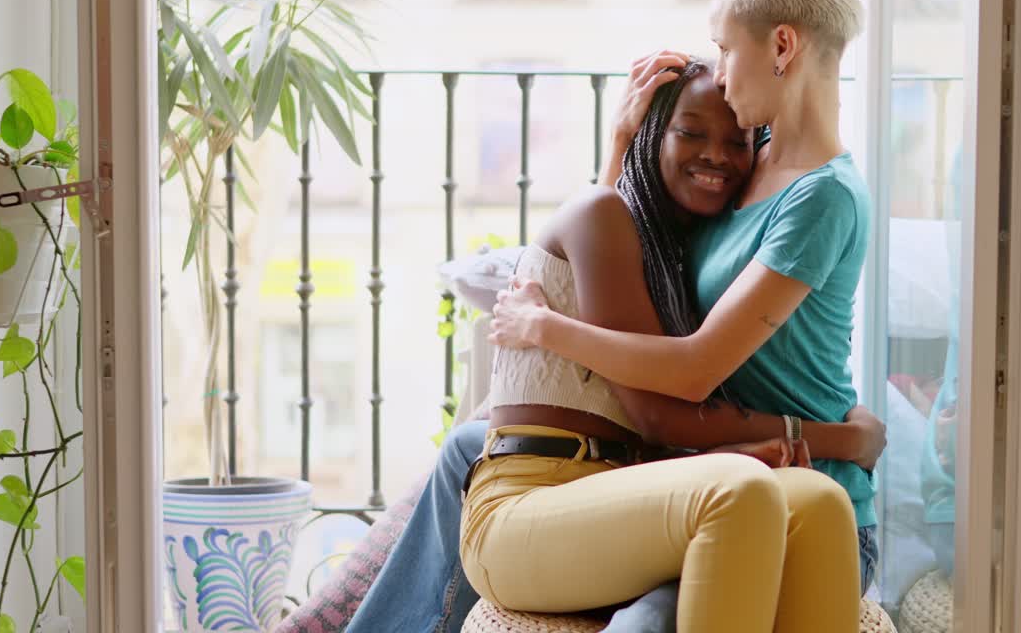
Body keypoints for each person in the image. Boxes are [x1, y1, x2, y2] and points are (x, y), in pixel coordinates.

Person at [346, 54, 883, 633]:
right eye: (690, 132)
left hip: (619, 487)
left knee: (815, 500)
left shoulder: (688, 252)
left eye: (738, 142)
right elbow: (656, 413)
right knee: (735, 492)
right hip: (541, 496)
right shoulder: (606, 215)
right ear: (654, 134)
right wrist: (837, 438)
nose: (716, 155)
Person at [486, 0, 871, 632]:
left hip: (788, 482)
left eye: (725, 49)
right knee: (466, 449)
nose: (720, 75)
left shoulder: (822, 197)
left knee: (673, 597)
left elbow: (692, 372)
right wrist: (622, 146)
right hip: (714, 471)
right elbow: (619, 255)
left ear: (782, 45)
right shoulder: (746, 170)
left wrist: (543, 327)